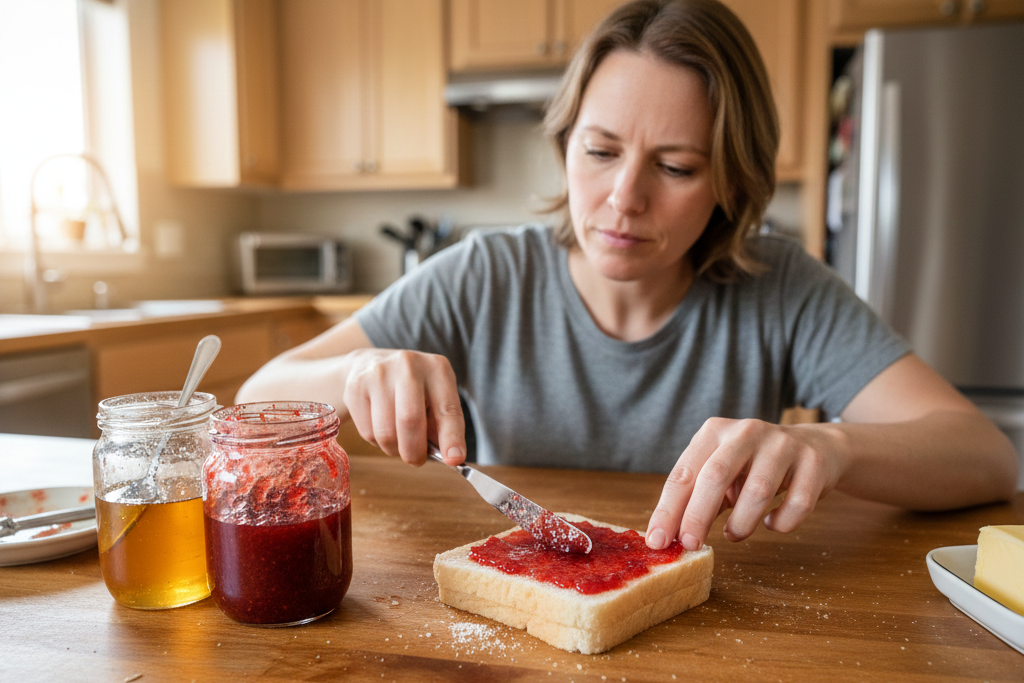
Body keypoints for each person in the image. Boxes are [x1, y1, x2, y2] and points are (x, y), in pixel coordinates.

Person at [237, 0, 1017, 552]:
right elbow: (257, 396)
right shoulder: (484, 275)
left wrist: (836, 447)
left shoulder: (782, 287)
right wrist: (356, 368)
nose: (624, 198)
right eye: (601, 151)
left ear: (730, 184)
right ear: (565, 142)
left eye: (675, 166)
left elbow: (984, 454)